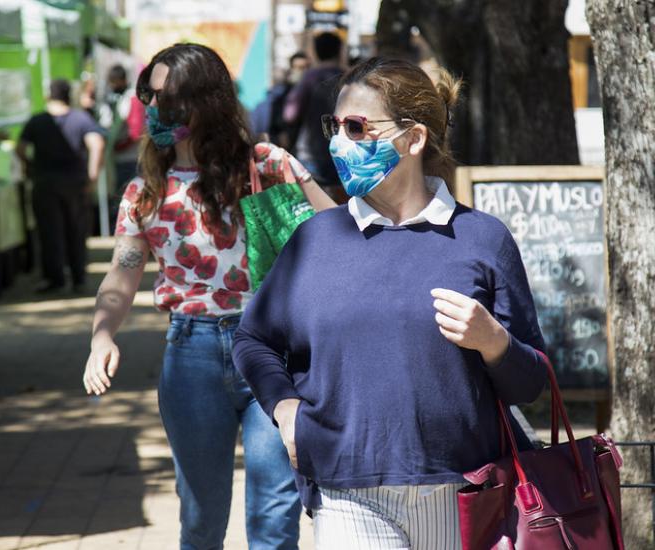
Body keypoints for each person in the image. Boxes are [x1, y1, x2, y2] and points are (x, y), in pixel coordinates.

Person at [233, 58, 548, 549]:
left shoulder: (482, 239)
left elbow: (532, 382)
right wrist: (285, 406)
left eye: (356, 127)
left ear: (414, 138)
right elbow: (254, 338)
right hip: (347, 491)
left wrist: (494, 343)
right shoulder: (317, 240)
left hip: (467, 492)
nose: (338, 142)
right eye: (333, 126)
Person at [81, 43, 335, 549]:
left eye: (169, 96)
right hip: (191, 355)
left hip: (273, 351)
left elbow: (338, 236)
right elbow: (122, 274)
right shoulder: (144, 194)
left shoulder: (267, 165)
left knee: (274, 513)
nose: (155, 108)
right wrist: (102, 334)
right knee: (201, 516)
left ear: (207, 99)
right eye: (148, 96)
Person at [16, 79, 105, 294]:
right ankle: (78, 277)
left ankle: (55, 278)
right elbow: (97, 144)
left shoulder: (37, 120)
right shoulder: (81, 118)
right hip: (75, 182)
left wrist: (29, 166)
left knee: (49, 231)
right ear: (69, 96)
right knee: (77, 229)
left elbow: (20, 148)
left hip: (44, 182)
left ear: (48, 95)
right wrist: (92, 175)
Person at [283, 32, 345, 201]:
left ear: (316, 52)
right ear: (339, 51)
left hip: (311, 155)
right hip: (343, 154)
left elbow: (290, 114)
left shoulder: (310, 78)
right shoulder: (349, 78)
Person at [101, 64, 145, 196]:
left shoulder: (132, 98)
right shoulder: (117, 98)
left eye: (114, 82)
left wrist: (119, 146)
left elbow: (136, 132)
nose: (112, 85)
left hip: (130, 157)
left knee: (130, 195)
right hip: (120, 157)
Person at [250, 52, 309, 148]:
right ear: (291, 70)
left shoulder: (314, 93)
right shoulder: (280, 94)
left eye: (306, 67)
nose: (303, 72)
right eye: (298, 68)